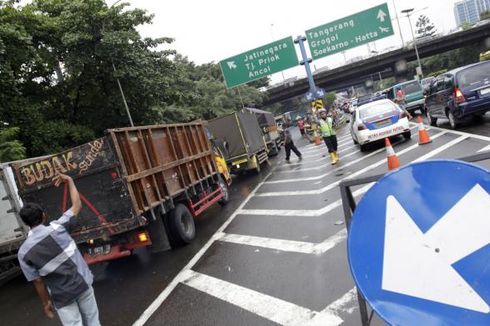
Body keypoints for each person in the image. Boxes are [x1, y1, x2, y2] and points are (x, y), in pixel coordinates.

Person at [18, 173, 100, 326]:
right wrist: (70, 180)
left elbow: (37, 281)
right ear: (43, 216)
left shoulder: (23, 252)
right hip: (82, 284)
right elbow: (77, 206)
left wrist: (46, 303)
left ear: (26, 223)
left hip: (60, 295)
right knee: (93, 322)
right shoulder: (59, 227)